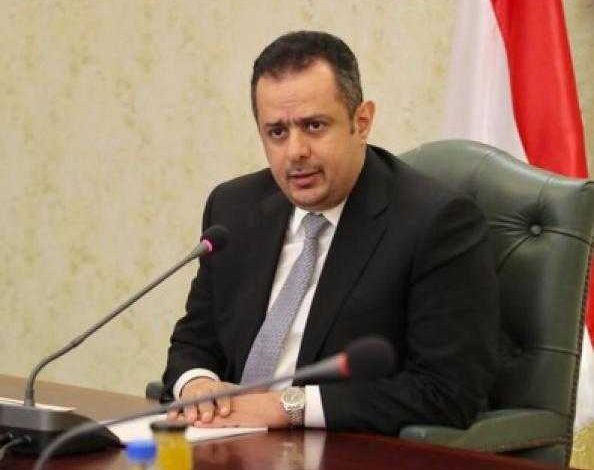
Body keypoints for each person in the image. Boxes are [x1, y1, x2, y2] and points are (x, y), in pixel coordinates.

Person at [162, 30, 499, 433]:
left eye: (314, 126)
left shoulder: (436, 223)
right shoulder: (234, 209)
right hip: (223, 442)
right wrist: (197, 385)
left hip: (342, 449)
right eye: (277, 132)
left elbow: (447, 392)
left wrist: (287, 407)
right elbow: (194, 341)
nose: (295, 152)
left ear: (362, 121)